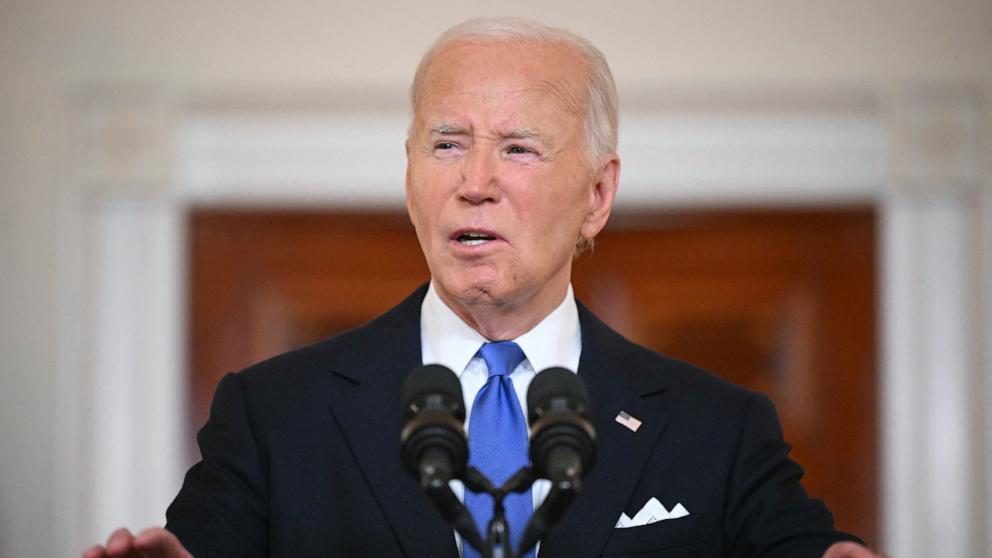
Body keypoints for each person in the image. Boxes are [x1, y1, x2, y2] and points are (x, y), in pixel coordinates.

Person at [84, 17, 884, 558]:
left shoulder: (719, 429)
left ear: (597, 197)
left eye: (518, 149)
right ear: (408, 177)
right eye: (446, 143)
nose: (474, 182)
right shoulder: (273, 414)